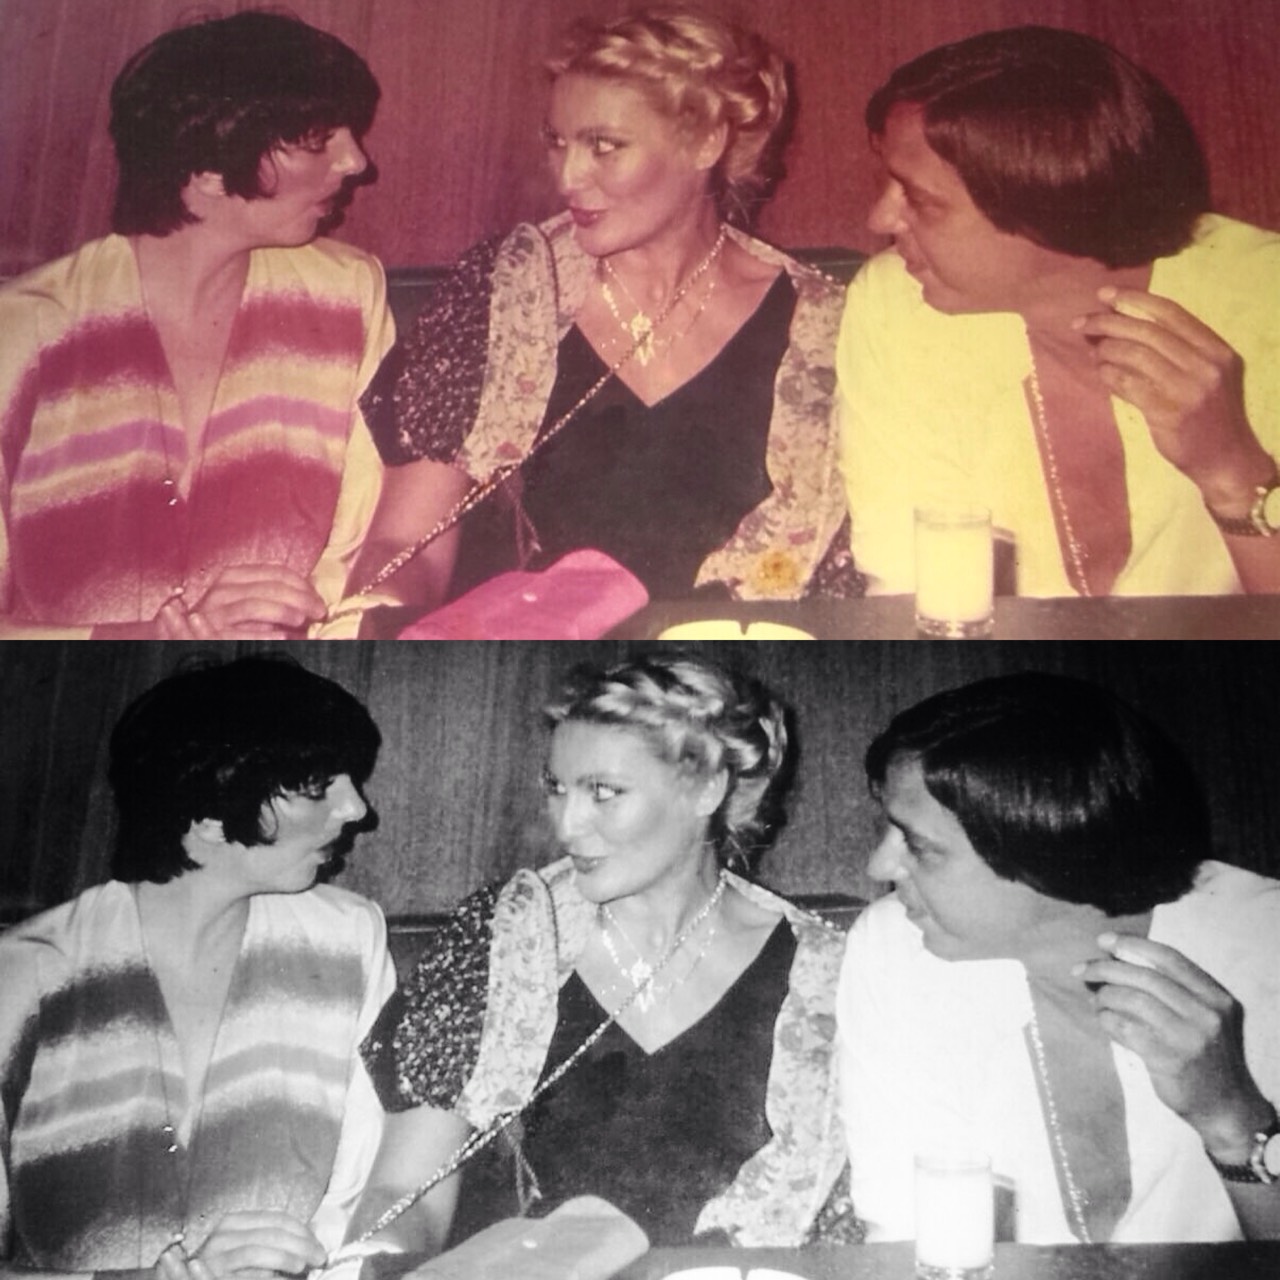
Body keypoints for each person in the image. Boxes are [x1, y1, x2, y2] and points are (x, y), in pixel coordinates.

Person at [344, 7, 854, 637]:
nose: (567, 176)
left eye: (603, 146)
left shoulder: (823, 328)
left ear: (707, 142)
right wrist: (380, 634)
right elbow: (405, 544)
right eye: (557, 142)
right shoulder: (503, 293)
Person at [351, 654, 852, 1254]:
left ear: (707, 788)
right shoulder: (502, 935)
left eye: (603, 792)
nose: (567, 825)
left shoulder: (826, 974)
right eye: (556, 788)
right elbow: (403, 1193)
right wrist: (375, 1260)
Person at [837, 671, 1280, 1245]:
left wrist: (1233, 1121)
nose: (878, 867)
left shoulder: (1263, 945)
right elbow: (906, 1236)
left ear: (1042, 853)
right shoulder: (894, 951)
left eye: (919, 846)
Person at [837, 26, 1280, 598]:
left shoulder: (1264, 300)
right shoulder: (897, 309)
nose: (879, 220)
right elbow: (914, 596)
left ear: (1044, 210)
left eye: (919, 199)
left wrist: (1233, 476)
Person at [0, 11, 393, 639]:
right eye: (318, 139)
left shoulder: (347, 297)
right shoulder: (20, 332)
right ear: (207, 170)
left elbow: (355, 567)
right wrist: (142, 642)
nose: (356, 161)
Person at [0, 656, 396, 1280]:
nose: (356, 808)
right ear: (209, 817)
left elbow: (356, 1216)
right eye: (318, 784)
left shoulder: (347, 941)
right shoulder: (24, 976)